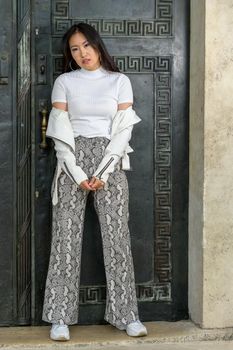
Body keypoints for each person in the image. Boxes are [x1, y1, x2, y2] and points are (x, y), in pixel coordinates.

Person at [42, 22, 147, 341]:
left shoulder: (119, 81)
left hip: (109, 158)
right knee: (65, 236)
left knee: (117, 236)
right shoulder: (64, 82)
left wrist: (102, 172)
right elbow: (60, 130)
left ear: (97, 45)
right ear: (69, 54)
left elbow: (123, 129)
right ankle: (60, 316)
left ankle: (127, 314)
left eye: (86, 45)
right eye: (75, 48)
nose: (82, 53)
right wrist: (76, 172)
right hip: (71, 156)